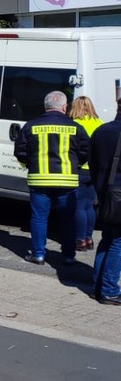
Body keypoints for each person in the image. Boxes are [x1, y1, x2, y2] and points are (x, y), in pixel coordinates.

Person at [14, 91, 90, 265]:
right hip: (67, 180)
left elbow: (20, 151)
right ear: (64, 107)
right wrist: (75, 165)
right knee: (67, 218)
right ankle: (69, 255)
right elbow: (86, 152)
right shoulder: (76, 127)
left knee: (39, 218)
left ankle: (38, 254)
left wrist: (30, 164)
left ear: (45, 106)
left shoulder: (31, 126)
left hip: (39, 179)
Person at [90, 98, 121, 305]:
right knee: (118, 242)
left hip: (105, 193)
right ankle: (109, 289)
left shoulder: (101, 131)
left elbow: (92, 164)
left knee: (108, 238)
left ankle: (98, 286)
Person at [69, 96, 104, 252]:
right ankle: (89, 238)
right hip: (95, 170)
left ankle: (80, 240)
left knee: (79, 206)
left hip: (80, 169)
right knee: (89, 206)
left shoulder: (74, 125)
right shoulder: (100, 123)